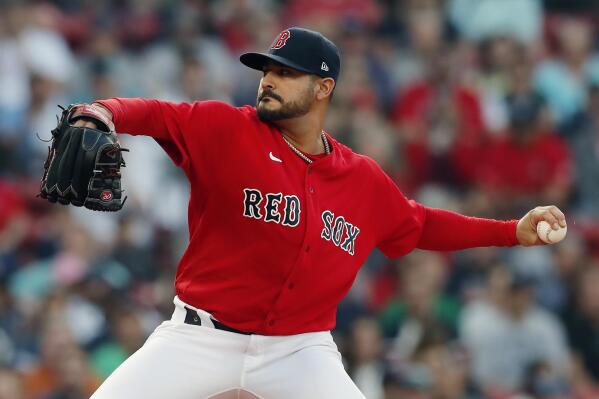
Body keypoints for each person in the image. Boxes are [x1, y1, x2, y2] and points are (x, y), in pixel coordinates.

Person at [68, 27, 566, 399]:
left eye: (285, 72)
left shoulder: (362, 178)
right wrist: (102, 111)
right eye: (267, 69)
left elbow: (422, 225)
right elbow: (155, 113)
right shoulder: (226, 129)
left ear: (323, 88)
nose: (268, 80)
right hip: (199, 335)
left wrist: (510, 232)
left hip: (299, 350)